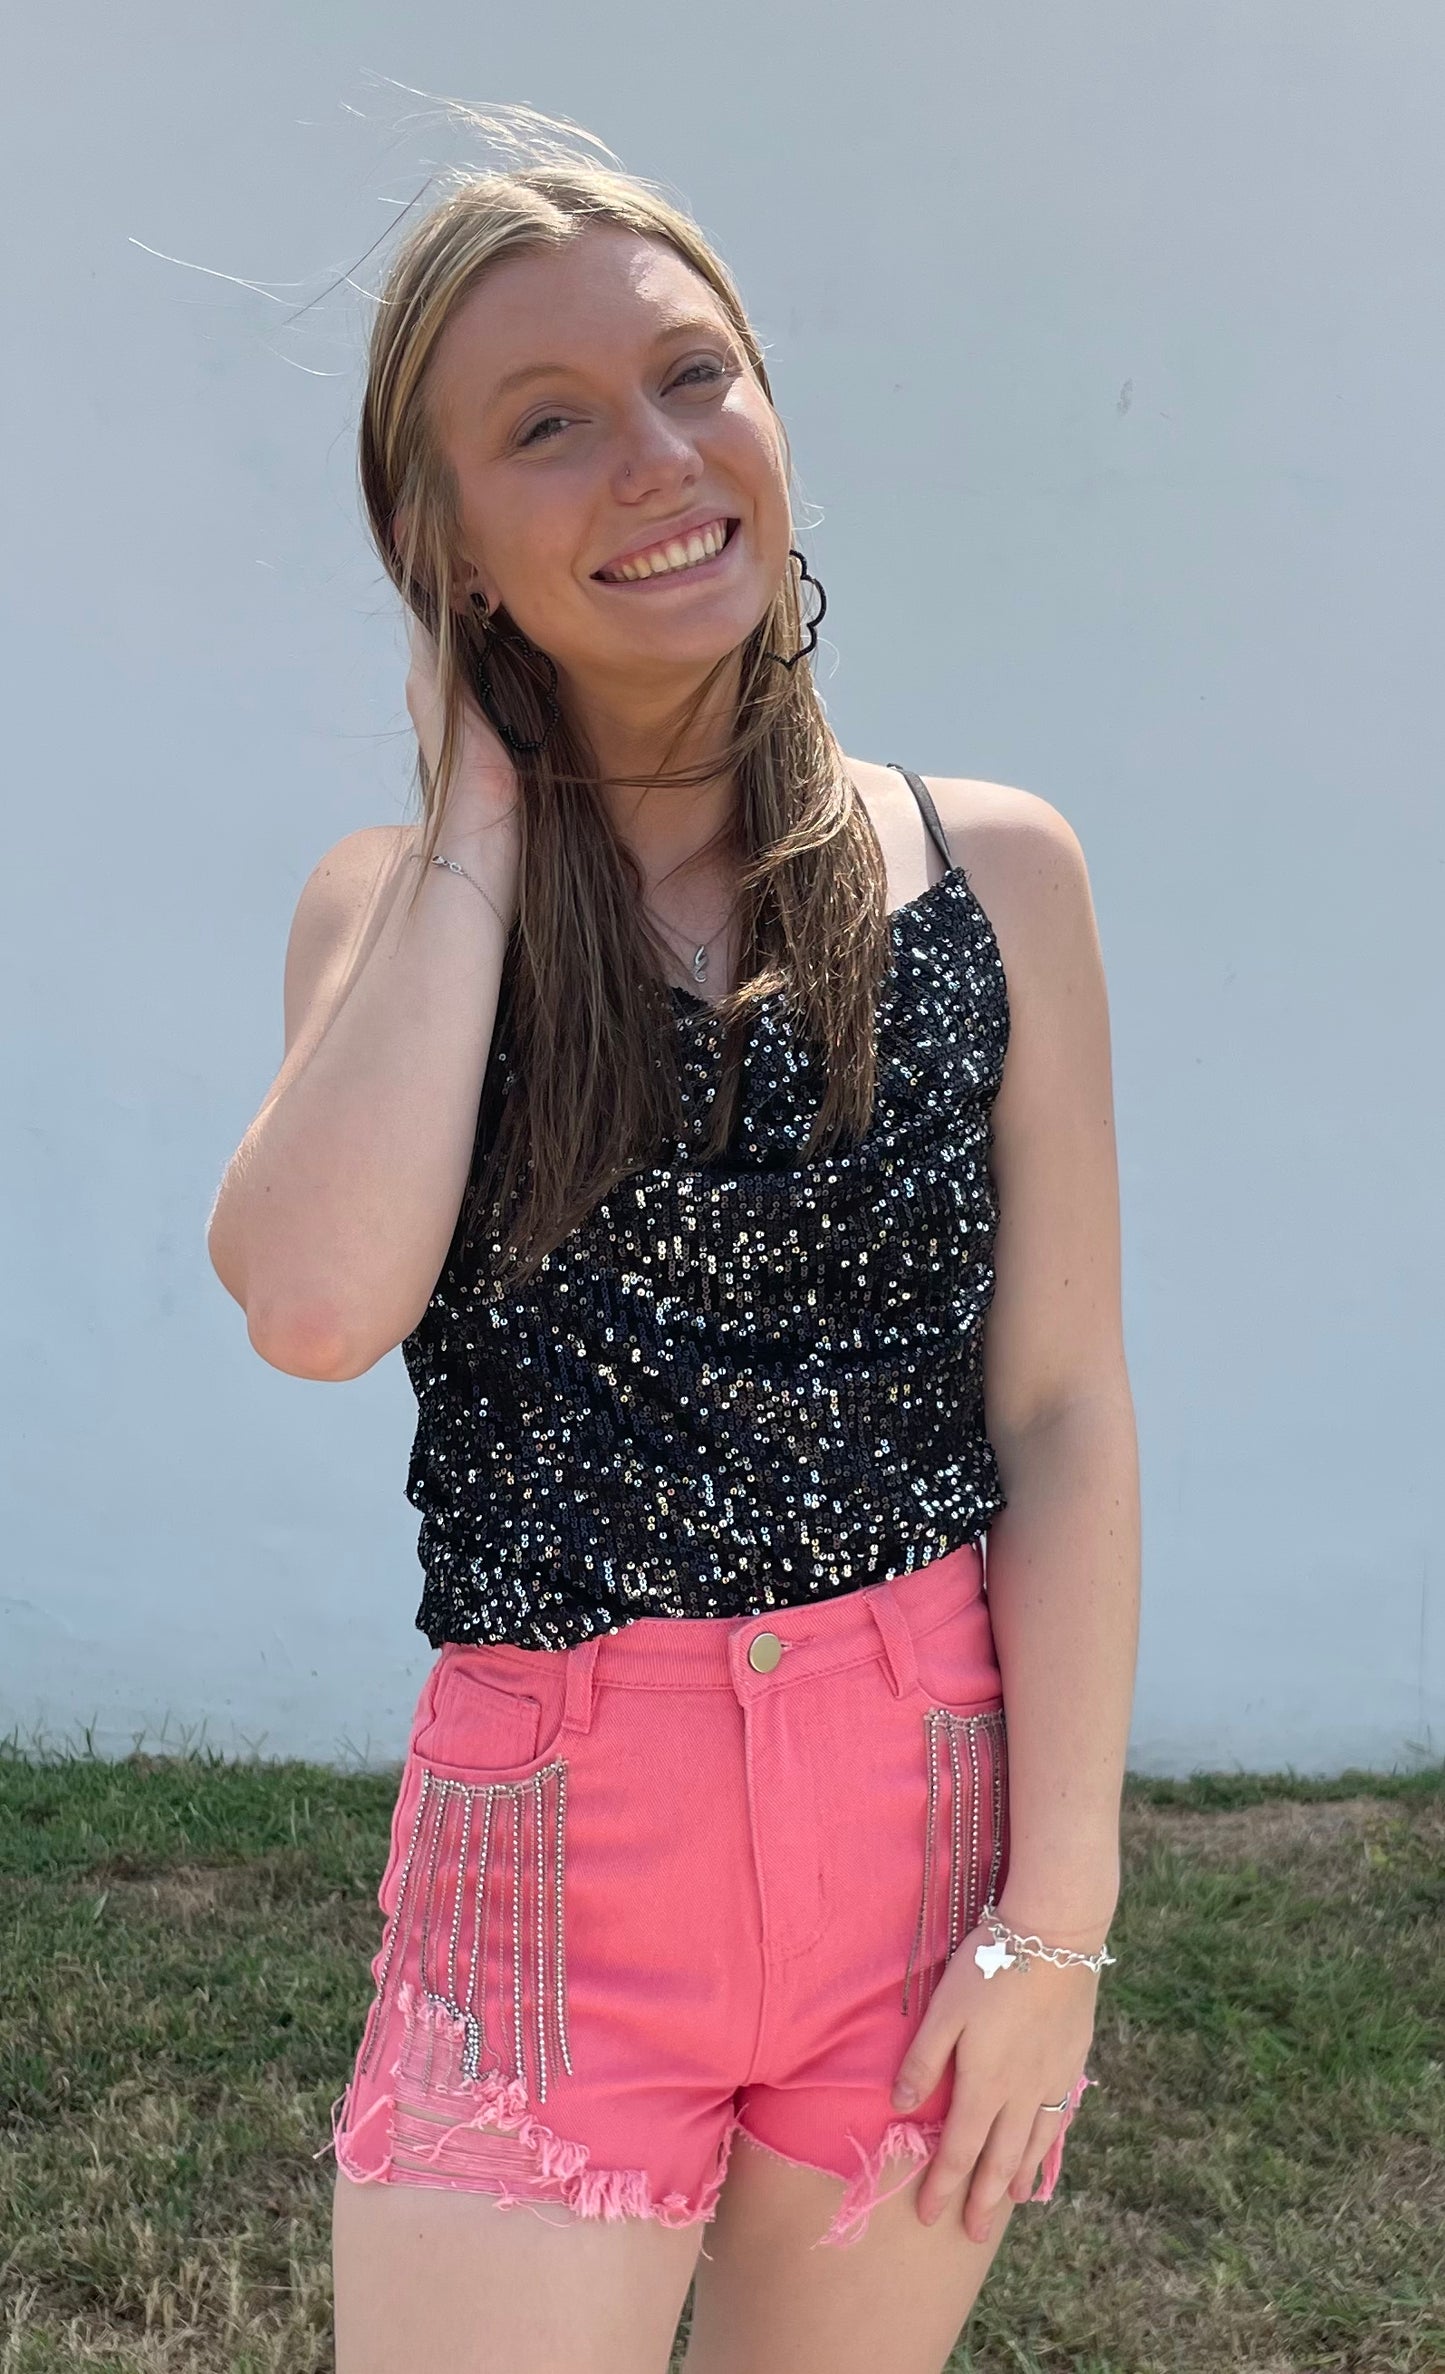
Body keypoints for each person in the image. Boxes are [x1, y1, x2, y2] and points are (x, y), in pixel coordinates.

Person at [207, 133, 1140, 2374]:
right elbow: (318, 1301)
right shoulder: (397, 909)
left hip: (922, 1809)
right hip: (553, 1849)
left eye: (693, 372)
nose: (657, 457)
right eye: (548, 421)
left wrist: (1060, 1920)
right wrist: (484, 818)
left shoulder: (992, 872)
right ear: (443, 544)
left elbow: (1062, 1405)